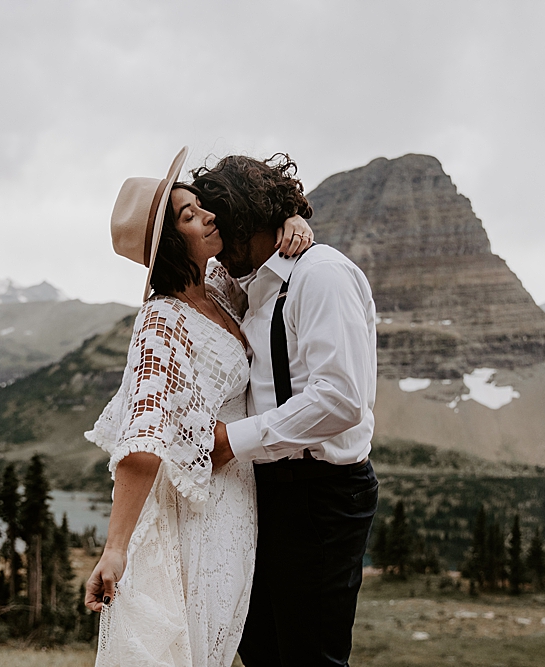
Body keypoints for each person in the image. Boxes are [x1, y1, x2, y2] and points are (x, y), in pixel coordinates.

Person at [82, 147, 312, 667]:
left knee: (224, 641)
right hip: (193, 508)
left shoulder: (219, 286)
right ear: (168, 244)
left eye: (200, 206)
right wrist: (115, 548)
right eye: (190, 215)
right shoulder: (161, 320)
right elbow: (143, 440)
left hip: (237, 494)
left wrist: (290, 218)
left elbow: (265, 259)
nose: (209, 215)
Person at [190, 154, 382, 667]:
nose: (216, 249)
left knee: (310, 656)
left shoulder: (322, 276)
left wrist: (233, 441)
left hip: (322, 496)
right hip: (270, 492)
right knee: (260, 650)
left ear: (249, 223)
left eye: (223, 232)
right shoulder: (251, 282)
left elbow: (340, 398)